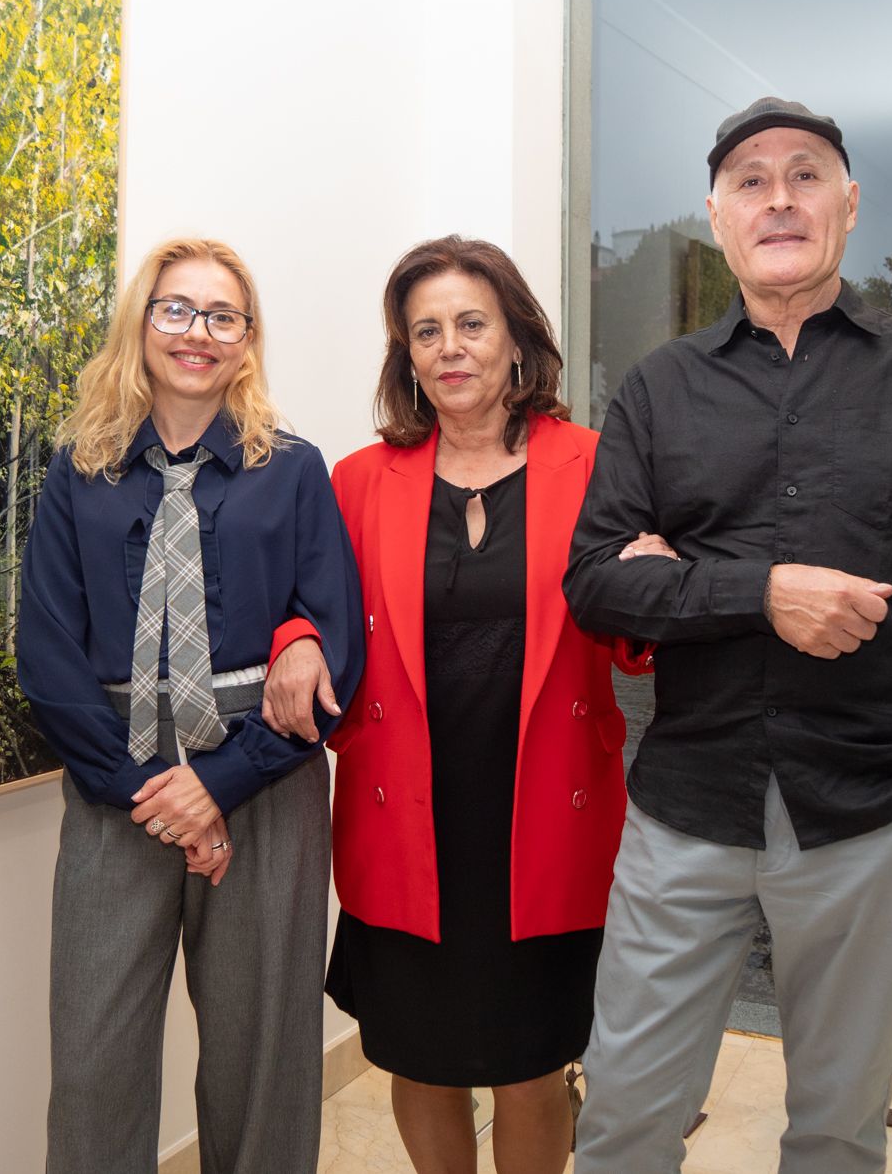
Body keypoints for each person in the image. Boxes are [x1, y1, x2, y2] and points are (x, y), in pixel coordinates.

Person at [564, 97, 892, 1172]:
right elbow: (595, 584)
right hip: (685, 811)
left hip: (872, 815)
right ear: (716, 215)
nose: (777, 196)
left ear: (849, 204)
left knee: (835, 1132)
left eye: (804, 174)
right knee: (623, 1122)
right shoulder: (658, 390)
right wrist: (759, 590)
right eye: (750, 180)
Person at [16, 236, 364, 1174]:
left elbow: (340, 648)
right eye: (176, 308)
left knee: (263, 1058)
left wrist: (218, 784)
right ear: (142, 320)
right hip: (111, 785)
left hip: (264, 777)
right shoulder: (77, 471)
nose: (196, 333)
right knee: (93, 1057)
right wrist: (154, 795)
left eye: (222, 316)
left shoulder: (292, 469)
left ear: (247, 341)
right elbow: (47, 658)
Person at [313, 235, 658, 1173]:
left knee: (530, 1062)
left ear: (516, 341)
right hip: (403, 812)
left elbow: (634, 637)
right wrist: (294, 643)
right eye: (427, 330)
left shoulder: (593, 464)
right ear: (407, 354)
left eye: (471, 323)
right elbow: (310, 614)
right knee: (418, 1056)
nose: (449, 347)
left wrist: (658, 582)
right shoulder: (356, 480)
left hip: (542, 810)